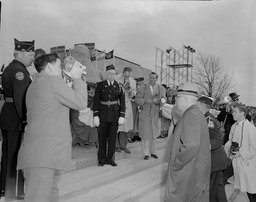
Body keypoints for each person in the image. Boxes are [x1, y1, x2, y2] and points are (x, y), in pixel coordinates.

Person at [17, 53, 87, 202]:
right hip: (43, 155)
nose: (61, 68)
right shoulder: (53, 82)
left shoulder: (35, 84)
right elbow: (80, 102)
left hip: (41, 155)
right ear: (49, 66)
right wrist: (77, 78)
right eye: (58, 65)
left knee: (51, 195)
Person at [0, 38, 35, 201]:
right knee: (15, 155)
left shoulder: (10, 68)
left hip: (9, 116)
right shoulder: (19, 71)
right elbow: (21, 99)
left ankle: (4, 188)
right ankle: (15, 191)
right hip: (16, 118)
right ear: (21, 53)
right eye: (31, 54)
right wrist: (27, 121)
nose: (33, 57)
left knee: (8, 154)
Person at [164, 82, 211, 202]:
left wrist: (176, 164)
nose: (176, 101)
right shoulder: (196, 113)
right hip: (193, 170)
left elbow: (191, 145)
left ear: (185, 99)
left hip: (186, 171)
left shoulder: (191, 115)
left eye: (178, 98)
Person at [93, 64, 125, 167]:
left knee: (112, 138)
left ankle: (110, 159)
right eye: (110, 73)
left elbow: (122, 102)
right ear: (106, 74)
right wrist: (96, 115)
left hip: (115, 115)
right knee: (102, 138)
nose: (112, 75)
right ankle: (101, 160)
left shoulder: (119, 86)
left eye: (113, 74)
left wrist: (122, 116)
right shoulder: (100, 85)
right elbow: (96, 101)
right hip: (102, 114)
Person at [197, 96, 228, 202]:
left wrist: (205, 147)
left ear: (202, 105)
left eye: (197, 104)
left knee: (210, 190)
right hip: (215, 161)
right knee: (218, 189)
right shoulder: (203, 118)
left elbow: (217, 140)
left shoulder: (209, 120)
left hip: (214, 160)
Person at [224, 103, 256, 202]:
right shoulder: (234, 126)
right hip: (235, 161)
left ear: (242, 113)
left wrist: (240, 153)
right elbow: (230, 141)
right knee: (220, 179)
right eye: (232, 111)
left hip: (247, 164)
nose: (232, 113)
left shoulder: (251, 128)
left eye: (235, 112)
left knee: (251, 190)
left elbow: (254, 148)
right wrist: (224, 150)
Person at [134, 72, 166, 160]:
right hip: (145, 113)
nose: (151, 79)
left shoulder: (161, 88)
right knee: (145, 134)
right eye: (150, 77)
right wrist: (146, 100)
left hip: (155, 114)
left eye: (153, 78)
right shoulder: (143, 88)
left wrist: (161, 101)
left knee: (154, 134)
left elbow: (164, 98)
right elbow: (136, 99)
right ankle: (145, 153)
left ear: (156, 79)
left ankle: (154, 152)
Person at [116, 67, 136, 153]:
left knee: (126, 127)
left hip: (127, 104)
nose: (127, 78)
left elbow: (134, 93)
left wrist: (130, 91)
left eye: (128, 76)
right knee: (116, 127)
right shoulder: (116, 77)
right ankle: (115, 145)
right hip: (117, 103)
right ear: (123, 73)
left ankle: (123, 145)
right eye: (125, 76)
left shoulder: (132, 81)